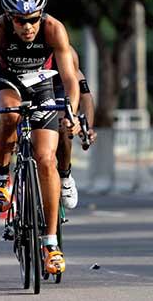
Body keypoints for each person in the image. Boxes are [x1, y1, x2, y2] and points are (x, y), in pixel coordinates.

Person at [0, 0, 80, 275]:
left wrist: (70, 111)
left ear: (41, 15)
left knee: (46, 160)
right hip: (9, 84)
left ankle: (50, 243)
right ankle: (1, 177)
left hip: (45, 87)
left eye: (33, 19)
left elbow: (70, 79)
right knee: (8, 113)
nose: (28, 27)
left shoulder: (53, 29)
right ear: (10, 18)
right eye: (21, 21)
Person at [53, 45, 97, 209]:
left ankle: (64, 176)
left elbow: (85, 97)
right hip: (30, 93)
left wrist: (87, 128)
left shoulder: (67, 54)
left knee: (63, 124)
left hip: (60, 96)